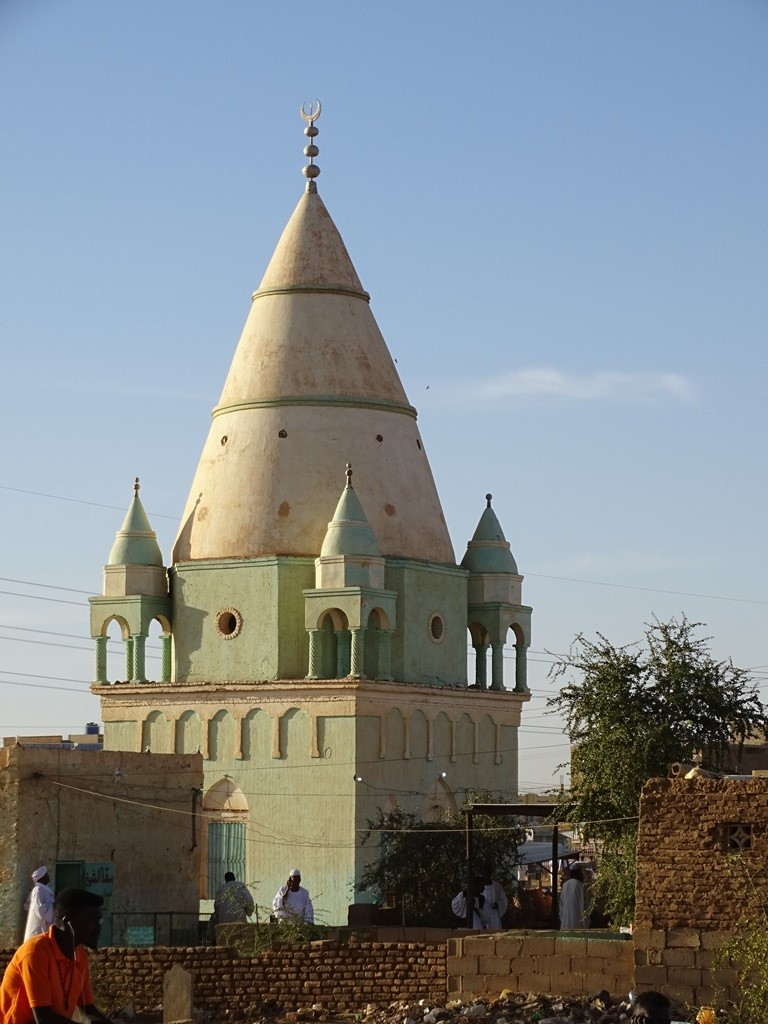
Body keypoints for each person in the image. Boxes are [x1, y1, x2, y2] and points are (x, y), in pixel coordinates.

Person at [0, 887, 114, 1024]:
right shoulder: (36, 951)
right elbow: (43, 1019)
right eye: (92, 921)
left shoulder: (80, 955)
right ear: (68, 923)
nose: (98, 928)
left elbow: (89, 1010)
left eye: (99, 921)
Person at [24, 867, 55, 941]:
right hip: (40, 925)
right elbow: (40, 909)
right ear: (42, 878)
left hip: (45, 924)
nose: (48, 876)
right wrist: (53, 907)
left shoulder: (44, 889)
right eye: (46, 875)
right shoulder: (38, 890)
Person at [479, 865, 508, 929]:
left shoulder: (496, 886)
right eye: (483, 874)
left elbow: (504, 900)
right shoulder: (478, 886)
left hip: (494, 917)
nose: (485, 876)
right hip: (482, 916)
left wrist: (498, 904)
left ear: (490, 874)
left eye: (487, 874)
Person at [559, 864, 587, 929]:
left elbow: (561, 906)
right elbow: (586, 907)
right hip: (578, 924)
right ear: (579, 873)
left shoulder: (565, 885)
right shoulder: (582, 886)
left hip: (565, 924)